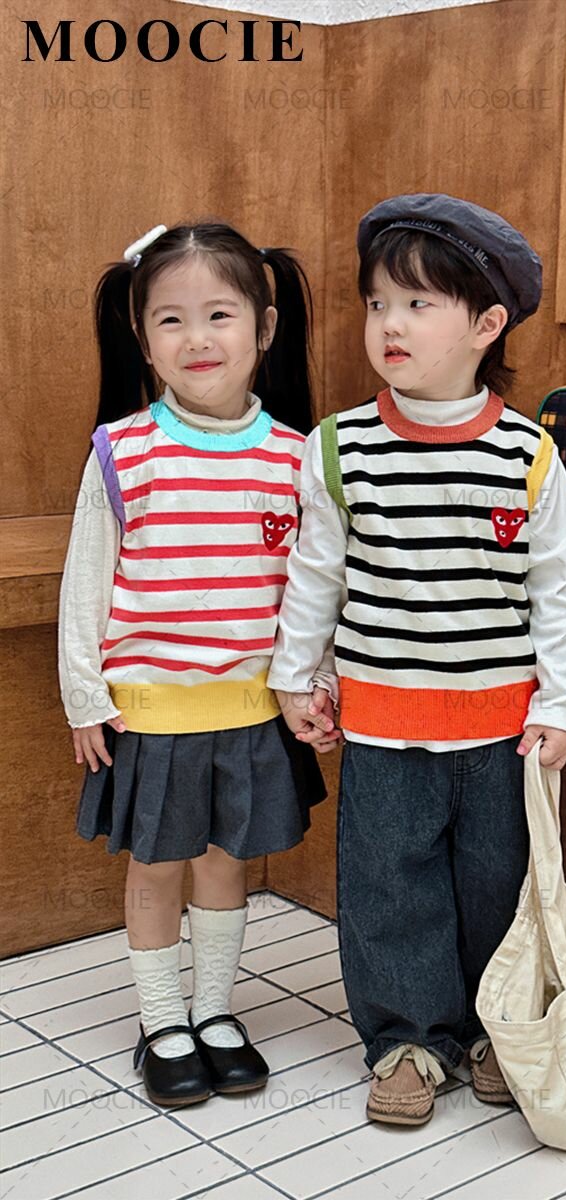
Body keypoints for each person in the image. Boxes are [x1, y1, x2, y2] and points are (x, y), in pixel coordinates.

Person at [268, 194, 566, 1125]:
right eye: (377, 304)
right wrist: (297, 678)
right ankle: (408, 1039)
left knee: (496, 885)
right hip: (383, 723)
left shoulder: (529, 454)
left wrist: (558, 705)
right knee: (387, 887)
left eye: (417, 304)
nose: (390, 325)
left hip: (501, 729)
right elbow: (314, 577)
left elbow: (557, 593)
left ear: (487, 324)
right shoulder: (339, 447)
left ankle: (497, 1027)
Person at [57, 221, 335, 1108]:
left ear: (265, 327)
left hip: (249, 710)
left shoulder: (296, 456)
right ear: (142, 339)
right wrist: (84, 697)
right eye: (170, 319)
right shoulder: (123, 451)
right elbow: (86, 582)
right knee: (156, 868)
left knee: (222, 864)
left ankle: (214, 1012)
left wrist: (317, 684)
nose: (197, 338)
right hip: (148, 711)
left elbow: (313, 591)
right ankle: (160, 1021)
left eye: (219, 314)